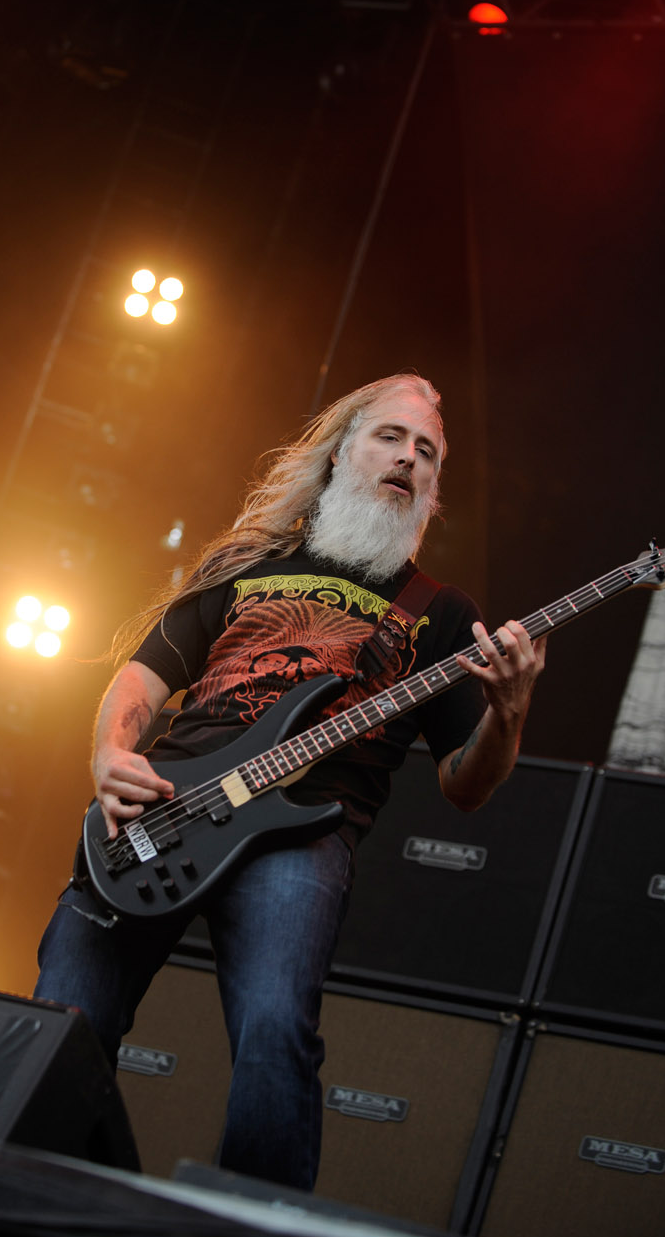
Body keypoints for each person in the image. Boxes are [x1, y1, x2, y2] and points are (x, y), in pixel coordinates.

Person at [34, 372, 545, 1190]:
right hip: (162, 806)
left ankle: (250, 1234)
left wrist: (509, 710)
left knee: (276, 1029)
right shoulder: (246, 565)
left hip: (303, 832)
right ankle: (44, 1198)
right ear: (342, 450)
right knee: (64, 1018)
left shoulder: (441, 612)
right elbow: (140, 679)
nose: (409, 458)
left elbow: (466, 784)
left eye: (428, 452)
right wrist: (110, 755)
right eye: (391, 436)